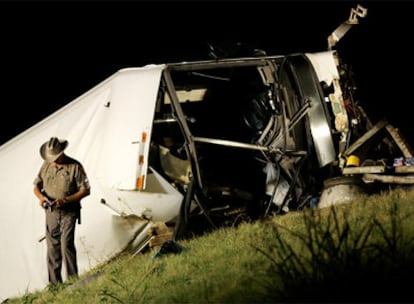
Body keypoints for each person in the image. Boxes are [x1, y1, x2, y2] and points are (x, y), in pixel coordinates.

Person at [33, 137, 91, 286]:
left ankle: (73, 281)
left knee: (66, 245)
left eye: (55, 157)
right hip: (51, 212)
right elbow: (36, 186)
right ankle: (54, 285)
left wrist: (65, 200)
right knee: (52, 248)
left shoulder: (75, 167)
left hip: (68, 211)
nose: (53, 160)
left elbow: (86, 190)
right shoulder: (46, 165)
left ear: (61, 153)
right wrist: (42, 198)